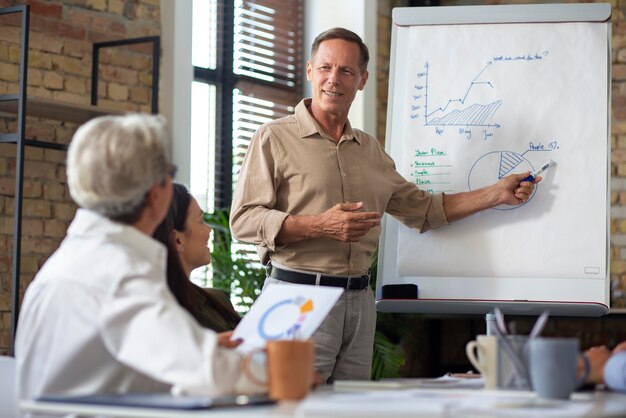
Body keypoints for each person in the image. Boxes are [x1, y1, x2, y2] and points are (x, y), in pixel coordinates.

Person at [229, 27, 540, 383]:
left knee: (355, 409)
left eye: (346, 71)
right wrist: (319, 225)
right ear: (310, 71)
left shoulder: (371, 151)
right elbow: (243, 221)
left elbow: (425, 211)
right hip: (296, 298)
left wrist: (496, 193)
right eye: (326, 68)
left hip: (359, 305)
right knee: (292, 408)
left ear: (361, 80)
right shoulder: (273, 138)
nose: (334, 79)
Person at [15, 114, 263, 409]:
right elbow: (214, 374)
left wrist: (199, 346)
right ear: (156, 193)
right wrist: (276, 369)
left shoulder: (72, 259)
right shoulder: (121, 273)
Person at [153, 182, 241, 332]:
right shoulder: (164, 317)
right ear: (177, 240)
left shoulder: (216, 300)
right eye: (201, 221)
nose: (209, 229)